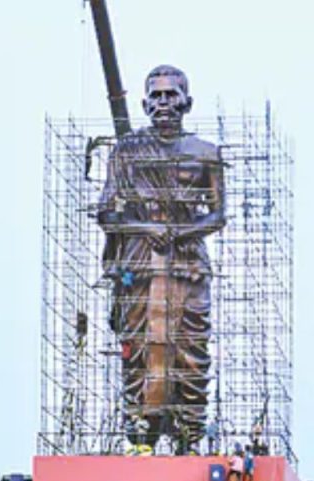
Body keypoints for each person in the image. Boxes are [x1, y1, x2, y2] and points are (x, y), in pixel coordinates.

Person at [98, 64, 226, 454]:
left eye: (172, 95)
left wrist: (180, 232)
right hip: (140, 262)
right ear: (144, 103)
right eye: (156, 96)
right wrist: (145, 228)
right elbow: (106, 211)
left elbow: (217, 214)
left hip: (186, 263)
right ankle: (142, 435)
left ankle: (189, 434)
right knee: (140, 345)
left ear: (188, 101)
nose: (164, 103)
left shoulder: (205, 153)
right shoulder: (127, 151)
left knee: (189, 346)